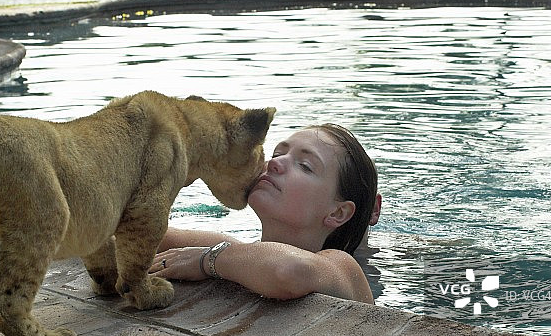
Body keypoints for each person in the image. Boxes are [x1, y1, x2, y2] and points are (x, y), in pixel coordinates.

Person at [150, 123, 381, 304]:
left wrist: (207, 261)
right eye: (278, 153)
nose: (274, 163)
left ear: (338, 213)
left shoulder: (343, 269)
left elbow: (288, 271)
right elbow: (131, 233)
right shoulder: (229, 250)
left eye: (305, 166)